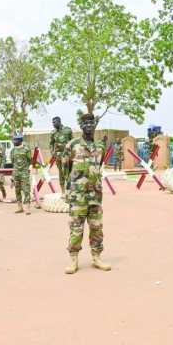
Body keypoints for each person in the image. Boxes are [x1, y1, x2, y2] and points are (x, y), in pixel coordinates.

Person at [63, 113, 111, 274]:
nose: (89, 125)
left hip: (95, 196)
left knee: (96, 228)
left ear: (94, 125)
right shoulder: (72, 145)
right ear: (81, 126)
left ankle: (96, 257)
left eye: (91, 122)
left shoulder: (100, 147)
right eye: (85, 123)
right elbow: (65, 169)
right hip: (78, 196)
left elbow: (99, 167)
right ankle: (73, 259)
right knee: (76, 229)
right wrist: (67, 191)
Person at [50, 116, 73, 193]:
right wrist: (52, 152)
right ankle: (63, 191)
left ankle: (70, 190)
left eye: (54, 122)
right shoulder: (53, 133)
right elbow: (51, 143)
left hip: (67, 155)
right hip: (58, 156)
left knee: (69, 172)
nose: (53, 124)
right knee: (61, 173)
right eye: (52, 122)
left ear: (59, 122)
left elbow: (72, 142)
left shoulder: (68, 130)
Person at [10, 134, 32, 215]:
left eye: (16, 140)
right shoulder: (13, 151)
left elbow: (30, 160)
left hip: (24, 173)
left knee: (26, 190)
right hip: (16, 173)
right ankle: (20, 207)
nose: (14, 141)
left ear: (20, 141)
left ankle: (27, 208)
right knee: (17, 190)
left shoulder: (26, 150)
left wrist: (26, 168)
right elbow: (13, 162)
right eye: (14, 140)